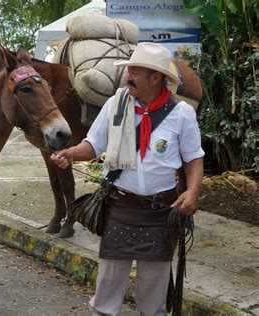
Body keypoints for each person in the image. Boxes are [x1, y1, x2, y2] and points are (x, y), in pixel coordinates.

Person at [50, 42, 204, 315]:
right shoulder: (115, 105)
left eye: (134, 71)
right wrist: (71, 154)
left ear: (155, 78)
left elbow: (193, 158)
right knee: (106, 293)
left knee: (153, 298)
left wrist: (192, 192)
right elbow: (94, 145)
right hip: (120, 210)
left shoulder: (182, 114)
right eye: (128, 70)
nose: (127, 77)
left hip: (160, 215)